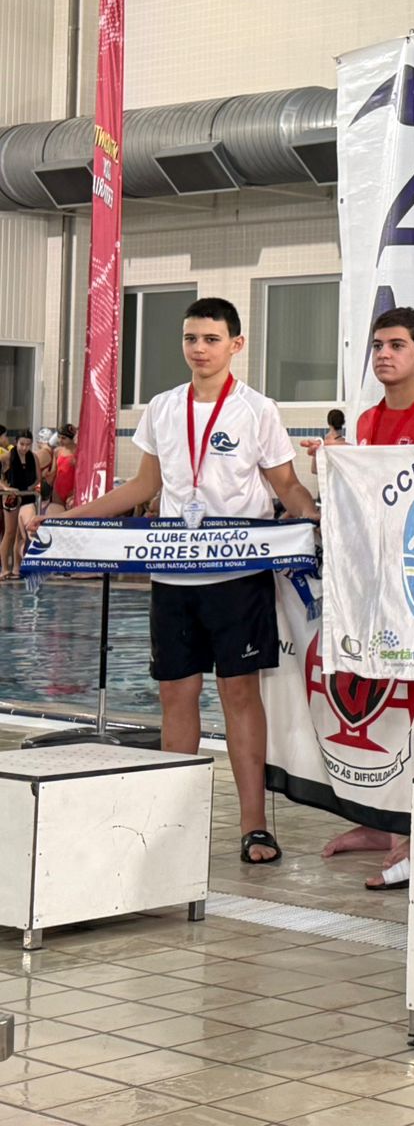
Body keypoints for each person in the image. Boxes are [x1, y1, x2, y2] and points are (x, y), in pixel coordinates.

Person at [27, 298, 315, 864]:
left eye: (211, 339)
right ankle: (173, 824)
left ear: (236, 344)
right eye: (190, 338)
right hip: (173, 575)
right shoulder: (162, 407)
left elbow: (286, 485)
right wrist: (69, 519)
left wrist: (311, 514)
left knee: (239, 696)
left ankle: (254, 825)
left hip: (238, 574)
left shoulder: (257, 409)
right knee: (175, 696)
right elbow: (143, 488)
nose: (199, 349)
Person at [314, 306, 414, 885]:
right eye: (378, 346)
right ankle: (377, 820)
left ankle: (413, 825)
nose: (384, 355)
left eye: (396, 345)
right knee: (379, 700)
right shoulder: (366, 420)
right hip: (372, 579)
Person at [1, 433, 39, 578]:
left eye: (28, 444)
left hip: (27, 496)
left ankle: (17, 568)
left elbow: (38, 478)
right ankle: (5, 568)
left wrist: (30, 488)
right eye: (22, 444)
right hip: (11, 497)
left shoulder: (33, 457)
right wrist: (5, 487)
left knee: (21, 533)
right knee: (10, 532)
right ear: (16, 442)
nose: (24, 448)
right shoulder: (7, 457)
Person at [49, 424, 76, 511]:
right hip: (58, 489)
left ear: (71, 438)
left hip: (72, 489)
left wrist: (76, 491)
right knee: (57, 515)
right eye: (59, 437)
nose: (60, 440)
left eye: (64, 438)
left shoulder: (79, 451)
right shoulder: (57, 451)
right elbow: (54, 471)